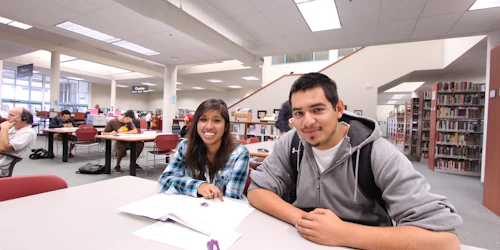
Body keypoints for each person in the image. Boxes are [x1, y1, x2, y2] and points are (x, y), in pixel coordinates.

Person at [247, 73, 462, 249]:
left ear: (338, 109)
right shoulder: (292, 143)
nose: (308, 121)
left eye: (318, 110)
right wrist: (304, 220)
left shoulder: (378, 154)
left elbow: (445, 241)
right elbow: (257, 190)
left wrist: (343, 233)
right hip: (303, 240)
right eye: (299, 113)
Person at [158, 99, 250, 200]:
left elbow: (231, 200)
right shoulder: (185, 147)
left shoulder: (239, 154)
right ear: (196, 123)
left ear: (225, 126)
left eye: (216, 120)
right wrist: (198, 186)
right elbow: (164, 181)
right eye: (203, 120)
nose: (209, 126)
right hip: (188, 209)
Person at [103, 110, 144, 174]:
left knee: (140, 144)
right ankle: (117, 165)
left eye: (129, 120)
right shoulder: (112, 122)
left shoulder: (129, 122)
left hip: (128, 141)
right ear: (124, 116)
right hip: (117, 142)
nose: (127, 121)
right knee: (122, 145)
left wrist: (124, 133)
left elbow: (135, 131)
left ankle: (133, 163)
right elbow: (104, 133)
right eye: (127, 119)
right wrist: (111, 133)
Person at [0, 108, 37, 177]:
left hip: (2, 165)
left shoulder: (28, 133)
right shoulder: (12, 129)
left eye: (11, 116)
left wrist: (4, 128)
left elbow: (3, 147)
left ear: (24, 118)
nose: (7, 118)